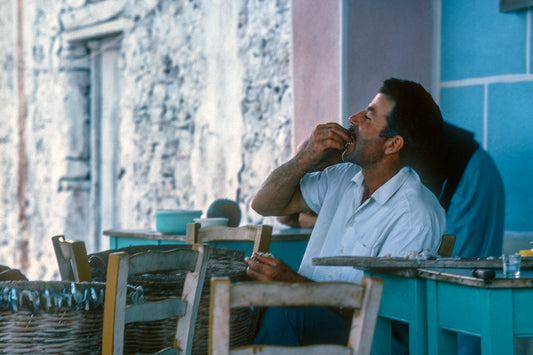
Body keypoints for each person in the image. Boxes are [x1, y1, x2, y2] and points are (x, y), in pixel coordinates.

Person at [246, 78, 446, 347]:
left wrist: (293, 283)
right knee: (244, 306)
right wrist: (304, 159)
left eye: (368, 117)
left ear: (392, 144)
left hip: (376, 339)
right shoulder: (343, 176)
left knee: (287, 311)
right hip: (317, 318)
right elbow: (264, 204)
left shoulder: (415, 213)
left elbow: (380, 313)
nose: (353, 119)